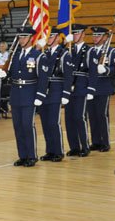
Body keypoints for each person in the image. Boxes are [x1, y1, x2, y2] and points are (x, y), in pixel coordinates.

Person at [7, 26, 48, 167]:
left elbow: (43, 78)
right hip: (16, 95)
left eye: (23, 37)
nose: (21, 40)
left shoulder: (39, 56)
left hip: (30, 94)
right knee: (18, 126)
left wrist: (40, 95)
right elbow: (13, 72)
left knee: (27, 125)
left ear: (31, 38)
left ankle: (31, 155)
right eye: (19, 37)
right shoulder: (16, 55)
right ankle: (22, 156)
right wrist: (3, 74)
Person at [38, 28, 73, 162]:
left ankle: (58, 151)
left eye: (51, 36)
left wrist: (66, 93)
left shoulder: (64, 54)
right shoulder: (43, 53)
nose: (49, 39)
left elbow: (68, 76)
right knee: (45, 123)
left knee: (54, 123)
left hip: (56, 92)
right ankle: (50, 151)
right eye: (47, 36)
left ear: (58, 38)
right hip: (43, 93)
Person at [87, 26, 115, 152]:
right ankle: (95, 142)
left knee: (102, 115)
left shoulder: (111, 51)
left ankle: (105, 142)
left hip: (103, 88)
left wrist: (106, 70)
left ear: (106, 37)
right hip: (90, 87)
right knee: (92, 115)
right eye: (94, 35)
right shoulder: (90, 51)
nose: (95, 38)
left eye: (98, 35)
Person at [65, 24, 92, 158]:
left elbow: (92, 72)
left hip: (81, 88)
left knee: (79, 118)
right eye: (73, 33)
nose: (75, 36)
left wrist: (91, 89)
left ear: (83, 35)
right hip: (69, 89)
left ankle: (85, 146)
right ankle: (74, 147)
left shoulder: (89, 50)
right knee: (69, 118)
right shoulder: (68, 50)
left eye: (77, 33)